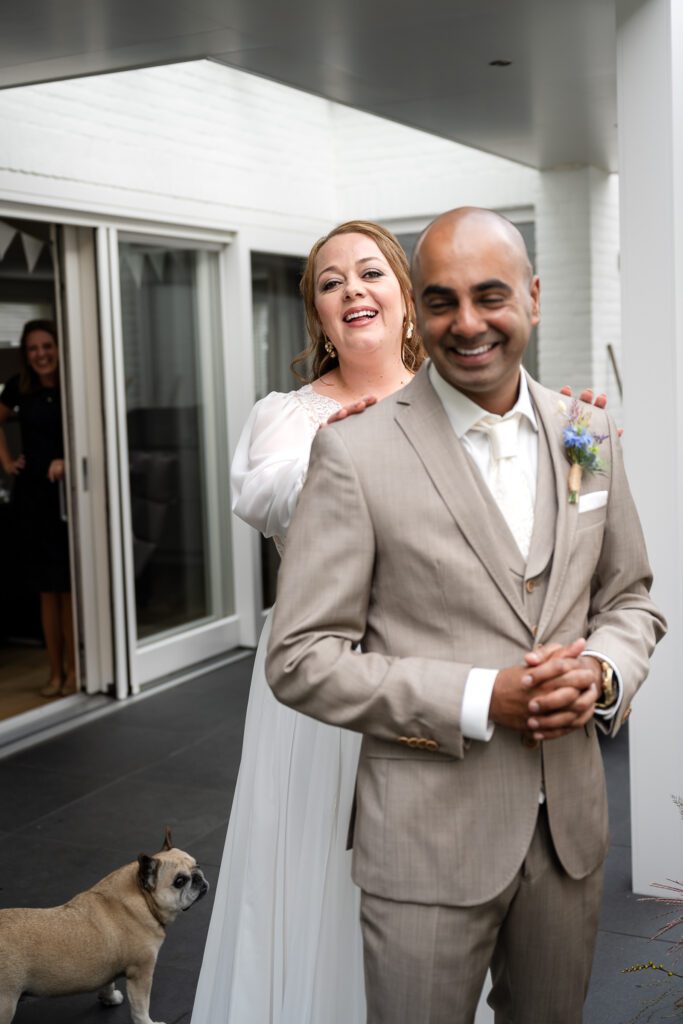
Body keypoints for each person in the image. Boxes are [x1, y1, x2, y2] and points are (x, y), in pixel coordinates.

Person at [266, 207, 666, 1023]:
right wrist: (481, 697)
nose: (468, 322)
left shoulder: (585, 433)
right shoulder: (353, 451)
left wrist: (601, 673)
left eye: (490, 295)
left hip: (568, 839)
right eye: (442, 300)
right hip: (424, 843)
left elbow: (628, 597)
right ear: (418, 308)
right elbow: (300, 656)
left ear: (533, 298)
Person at [191, 220, 424, 1024]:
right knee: (315, 859)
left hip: (431, 668)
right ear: (319, 316)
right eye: (331, 282)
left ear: (404, 297)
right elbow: (265, 497)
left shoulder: (456, 403)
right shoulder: (285, 417)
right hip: (319, 678)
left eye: (370, 272)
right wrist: (335, 454)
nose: (352, 288)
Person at [0, 320, 75, 698]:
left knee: (70, 588)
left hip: (70, 496)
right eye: (33, 348)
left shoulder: (74, 383)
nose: (41, 354)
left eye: (47, 346)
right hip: (32, 497)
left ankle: (76, 672)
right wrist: (6, 461)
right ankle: (54, 672)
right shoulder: (18, 386)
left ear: (58, 348)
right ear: (26, 354)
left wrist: (68, 460)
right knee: (47, 590)